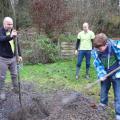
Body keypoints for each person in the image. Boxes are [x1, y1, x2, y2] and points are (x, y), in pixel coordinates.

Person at [92, 33, 120, 120]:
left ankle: (118, 113)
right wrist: (101, 74)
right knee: (103, 91)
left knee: (118, 94)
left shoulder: (115, 46)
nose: (99, 50)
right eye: (97, 48)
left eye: (100, 48)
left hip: (117, 74)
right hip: (105, 75)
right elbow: (98, 64)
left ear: (106, 44)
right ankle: (103, 106)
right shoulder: (97, 51)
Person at [0, 17, 22, 100]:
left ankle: (15, 88)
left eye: (11, 24)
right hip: (2, 59)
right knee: (2, 77)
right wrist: (11, 36)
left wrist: (19, 55)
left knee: (14, 74)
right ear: (4, 24)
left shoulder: (14, 31)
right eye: (8, 24)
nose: (10, 26)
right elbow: (2, 39)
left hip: (13, 58)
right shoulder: (1, 31)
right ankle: (1, 92)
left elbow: (17, 44)